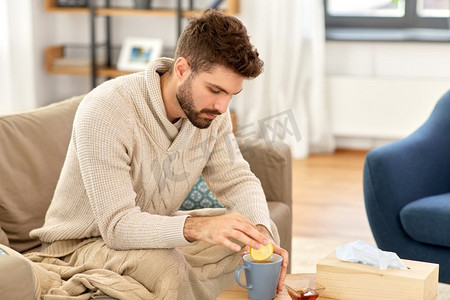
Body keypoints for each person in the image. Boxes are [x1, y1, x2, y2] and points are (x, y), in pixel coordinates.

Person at [26, 9, 288, 299]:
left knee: (247, 240)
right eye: (214, 90)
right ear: (181, 69)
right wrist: (198, 227)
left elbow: (236, 178)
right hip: (82, 244)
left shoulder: (211, 114)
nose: (223, 106)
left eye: (231, 94)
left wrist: (260, 230)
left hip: (147, 232)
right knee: (167, 266)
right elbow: (117, 226)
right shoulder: (105, 110)